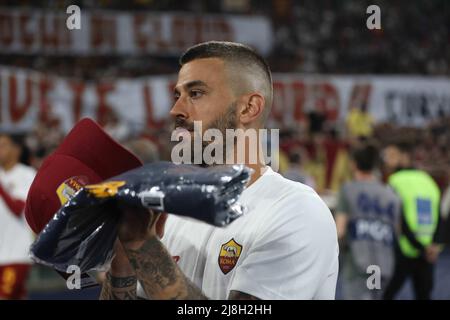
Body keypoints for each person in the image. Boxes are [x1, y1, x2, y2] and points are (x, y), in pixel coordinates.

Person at [100, 41, 339, 300]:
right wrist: (122, 260)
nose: (176, 110)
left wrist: (142, 243)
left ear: (248, 108)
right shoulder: (165, 216)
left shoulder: (296, 210)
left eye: (196, 93)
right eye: (177, 95)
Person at [335, 143, 401, 299]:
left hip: (358, 265)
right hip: (384, 265)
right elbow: (396, 234)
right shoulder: (392, 194)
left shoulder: (348, 189)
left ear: (353, 164)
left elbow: (340, 231)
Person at [382, 142, 444, 300]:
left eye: (391, 156)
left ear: (404, 157)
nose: (386, 160)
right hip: (428, 251)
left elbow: (398, 219)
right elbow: (439, 216)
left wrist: (420, 246)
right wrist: (433, 245)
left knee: (386, 293)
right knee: (424, 295)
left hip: (402, 250)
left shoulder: (394, 181)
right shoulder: (429, 180)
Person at [0, 133, 36, 299]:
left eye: (3, 145)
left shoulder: (27, 175)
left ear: (17, 150)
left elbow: (17, 208)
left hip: (16, 254)